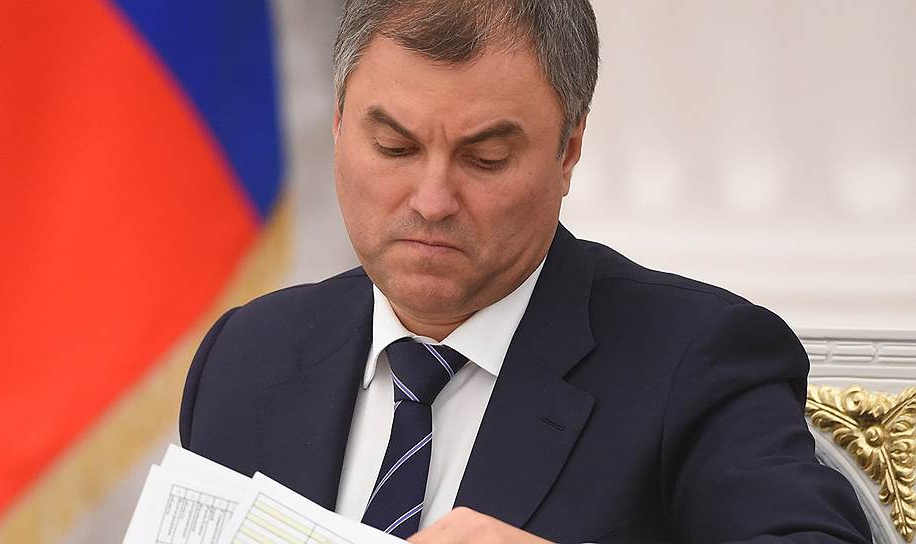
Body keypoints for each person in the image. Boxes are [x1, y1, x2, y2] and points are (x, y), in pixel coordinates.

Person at [179, 1, 872, 542]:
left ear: (568, 152)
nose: (431, 201)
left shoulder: (697, 361)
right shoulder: (245, 356)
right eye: (394, 147)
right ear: (338, 124)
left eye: (485, 159)